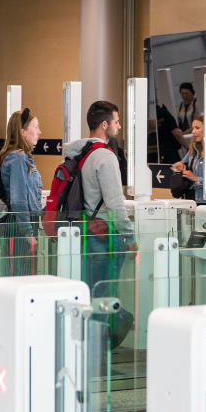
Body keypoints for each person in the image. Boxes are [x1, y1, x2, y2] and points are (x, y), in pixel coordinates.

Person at [63, 100, 136, 349]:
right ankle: (98, 351)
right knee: (103, 295)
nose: (118, 126)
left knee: (92, 291)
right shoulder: (105, 157)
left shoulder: (81, 153)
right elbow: (115, 203)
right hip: (106, 234)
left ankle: (86, 348)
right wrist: (129, 235)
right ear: (104, 125)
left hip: (86, 230)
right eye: (116, 121)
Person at [0, 108, 43, 236]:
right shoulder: (17, 157)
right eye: (36, 127)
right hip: (19, 228)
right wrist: (28, 234)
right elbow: (19, 199)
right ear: (22, 132)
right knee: (19, 257)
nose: (39, 132)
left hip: (23, 224)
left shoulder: (21, 157)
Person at [172, 117, 206, 204]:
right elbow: (176, 167)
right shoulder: (193, 149)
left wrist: (195, 178)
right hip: (191, 200)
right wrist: (178, 166)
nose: (193, 132)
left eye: (197, 128)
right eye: (193, 128)